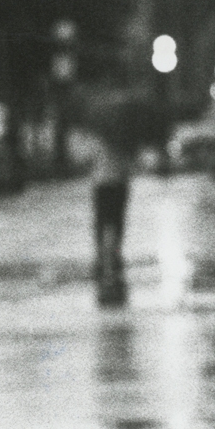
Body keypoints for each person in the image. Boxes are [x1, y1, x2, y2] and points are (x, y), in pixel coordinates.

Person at [89, 130, 132, 306]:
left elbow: (89, 160)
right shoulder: (124, 140)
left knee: (103, 220)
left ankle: (102, 252)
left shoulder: (98, 139)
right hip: (116, 183)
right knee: (115, 220)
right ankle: (112, 251)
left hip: (102, 183)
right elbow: (128, 164)